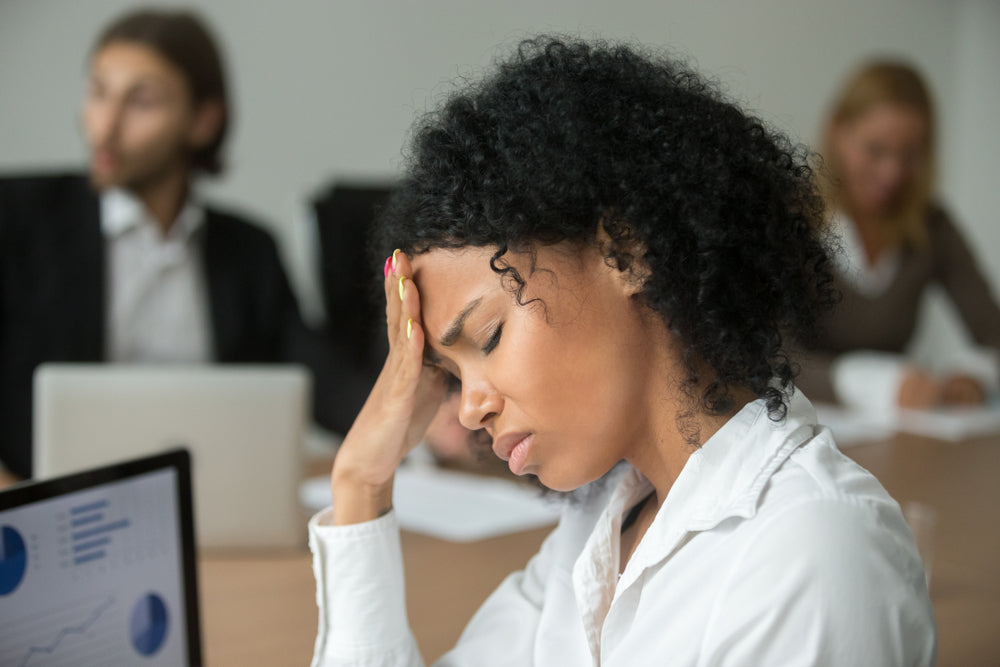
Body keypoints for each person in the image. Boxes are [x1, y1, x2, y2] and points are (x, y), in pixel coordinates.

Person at [307, 38, 935, 665]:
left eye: (489, 337)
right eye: (448, 374)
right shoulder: (599, 532)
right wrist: (361, 483)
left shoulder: (811, 557)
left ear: (627, 253)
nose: (469, 409)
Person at [0, 8, 341, 479]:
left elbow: (321, 380)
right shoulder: (16, 218)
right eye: (98, 93)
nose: (105, 125)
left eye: (141, 102)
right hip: (44, 509)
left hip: (214, 497)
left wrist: (423, 418)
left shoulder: (249, 251)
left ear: (203, 121)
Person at [796, 60, 1000, 412]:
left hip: (898, 432)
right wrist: (877, 383)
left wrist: (974, 376)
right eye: (875, 150)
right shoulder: (791, 216)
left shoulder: (931, 225)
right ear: (838, 132)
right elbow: (766, 356)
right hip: (799, 428)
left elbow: (992, 332)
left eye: (909, 156)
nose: (892, 173)